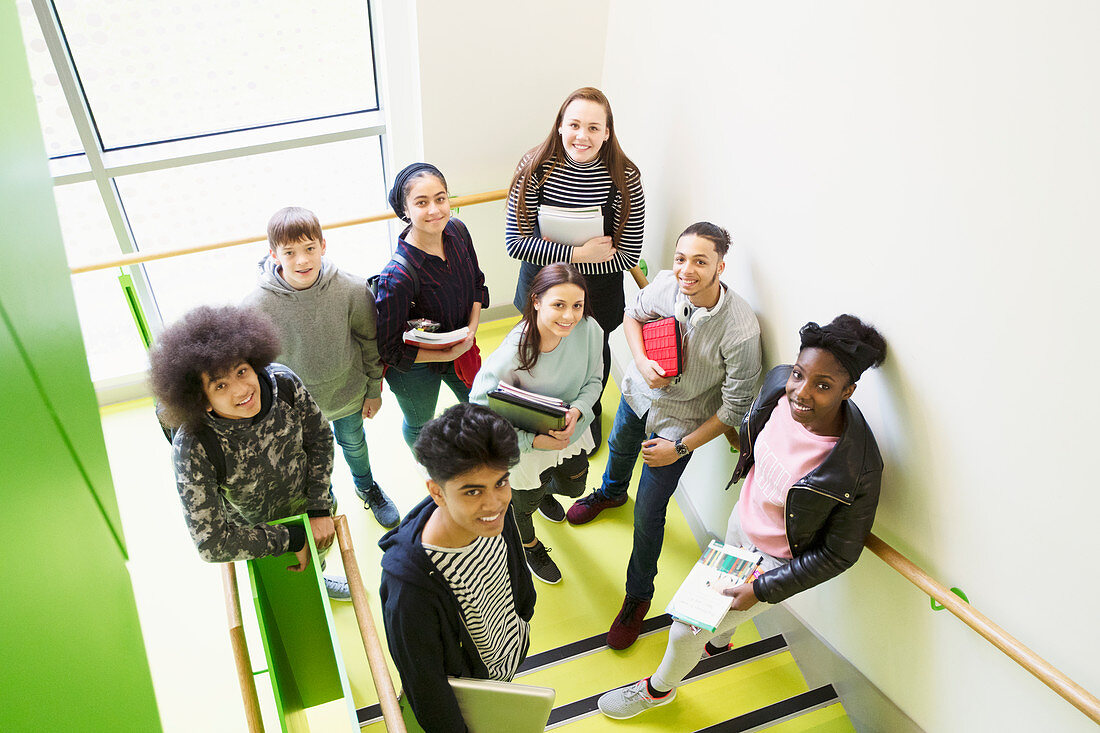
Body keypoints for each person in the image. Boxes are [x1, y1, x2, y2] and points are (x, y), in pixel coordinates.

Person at [596, 315, 888, 719]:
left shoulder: (855, 465)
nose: (802, 392)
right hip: (741, 523)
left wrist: (764, 588)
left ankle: (659, 690)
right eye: (800, 375)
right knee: (712, 622)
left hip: (775, 560)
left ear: (848, 390)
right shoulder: (778, 387)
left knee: (685, 628)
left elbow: (839, 554)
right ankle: (719, 644)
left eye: (823, 386)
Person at [566, 222, 762, 650]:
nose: (686, 270)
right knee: (618, 448)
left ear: (720, 267)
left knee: (649, 512)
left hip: (682, 425)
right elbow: (633, 315)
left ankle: (638, 597)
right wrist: (642, 362)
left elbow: (733, 409)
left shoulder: (741, 331)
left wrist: (679, 448)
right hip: (640, 391)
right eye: (680, 258)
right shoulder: (665, 286)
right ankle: (611, 492)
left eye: (699, 261)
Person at [149, 305, 349, 599]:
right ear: (203, 400)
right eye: (220, 385)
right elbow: (211, 543)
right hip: (258, 534)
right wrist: (292, 539)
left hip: (311, 506)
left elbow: (319, 437)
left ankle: (320, 578)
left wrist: (318, 508)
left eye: (242, 371)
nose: (241, 390)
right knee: (284, 587)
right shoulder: (193, 446)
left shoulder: (285, 384)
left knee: (315, 562)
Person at [378, 403, 535, 733]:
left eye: (500, 482)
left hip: (504, 657)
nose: (494, 503)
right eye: (473, 491)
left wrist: (523, 616)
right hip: (466, 689)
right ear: (437, 491)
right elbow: (427, 689)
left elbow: (515, 577)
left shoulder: (490, 519)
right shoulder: (409, 589)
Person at [242, 206, 399, 529]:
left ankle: (366, 486)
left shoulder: (353, 290)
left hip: (348, 396)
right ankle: (322, 501)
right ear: (274, 255)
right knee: (309, 462)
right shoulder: (256, 306)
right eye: (290, 252)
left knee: (354, 445)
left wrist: (373, 391)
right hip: (295, 410)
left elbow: (370, 343)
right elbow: (254, 368)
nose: (302, 260)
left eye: (309, 249)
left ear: (323, 246)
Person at [505, 86, 645, 446]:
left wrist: (550, 250)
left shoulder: (624, 177)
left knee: (591, 356)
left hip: (598, 294)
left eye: (594, 128)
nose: (582, 136)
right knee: (536, 353)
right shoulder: (534, 167)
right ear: (560, 126)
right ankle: (539, 415)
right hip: (542, 286)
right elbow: (515, 243)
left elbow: (628, 255)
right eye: (575, 125)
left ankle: (588, 414)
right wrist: (579, 254)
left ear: (608, 132)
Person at [470, 263, 604, 584]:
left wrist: (580, 411)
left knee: (575, 485)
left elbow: (594, 380)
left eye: (577, 305)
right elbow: (479, 414)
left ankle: (545, 493)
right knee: (523, 506)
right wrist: (533, 442)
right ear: (536, 301)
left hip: (570, 432)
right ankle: (529, 545)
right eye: (559, 305)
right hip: (525, 449)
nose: (569, 316)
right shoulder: (511, 355)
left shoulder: (590, 331)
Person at [375, 163, 489, 450]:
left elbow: (477, 283)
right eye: (421, 202)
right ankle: (427, 467)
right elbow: (389, 348)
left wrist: (470, 332)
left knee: (479, 405)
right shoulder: (397, 277)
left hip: (461, 347)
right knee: (420, 423)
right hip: (414, 367)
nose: (435, 210)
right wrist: (446, 352)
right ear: (405, 211)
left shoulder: (459, 232)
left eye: (440, 198)